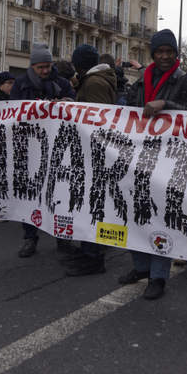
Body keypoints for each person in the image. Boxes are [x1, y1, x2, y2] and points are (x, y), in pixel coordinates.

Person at [118, 29, 187, 300]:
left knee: (161, 217)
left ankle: (158, 276)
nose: (165, 56)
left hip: (170, 162)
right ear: (153, 54)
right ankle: (141, 267)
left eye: (169, 51)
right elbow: (125, 111)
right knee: (134, 213)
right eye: (160, 52)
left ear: (176, 54)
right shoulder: (140, 82)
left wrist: (166, 105)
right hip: (139, 159)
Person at [10, 43, 75, 258]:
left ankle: (63, 237)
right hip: (29, 148)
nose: (45, 71)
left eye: (48, 66)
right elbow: (12, 112)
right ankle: (30, 237)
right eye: (41, 67)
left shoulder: (62, 83)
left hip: (57, 148)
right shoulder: (20, 84)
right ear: (32, 66)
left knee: (59, 194)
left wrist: (67, 102)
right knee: (29, 195)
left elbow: (76, 107)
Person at [64, 44, 117, 276]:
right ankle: (88, 250)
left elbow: (97, 120)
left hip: (93, 153)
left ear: (80, 65)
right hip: (92, 152)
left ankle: (93, 257)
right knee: (89, 203)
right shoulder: (94, 80)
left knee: (91, 204)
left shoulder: (94, 83)